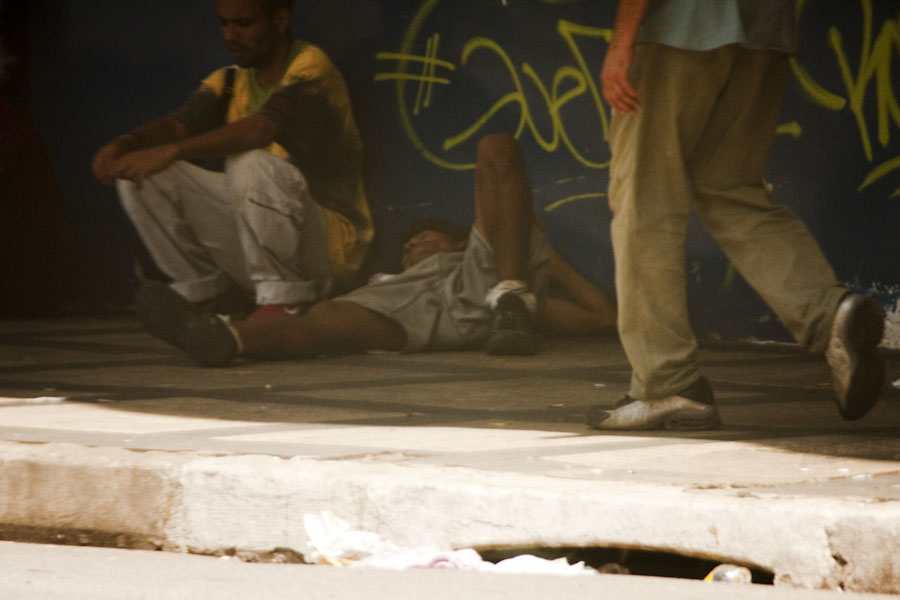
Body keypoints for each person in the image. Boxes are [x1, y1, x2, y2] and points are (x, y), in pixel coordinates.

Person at [589, 0, 886, 430]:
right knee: (732, 191)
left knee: (644, 201)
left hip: (679, 28)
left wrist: (622, 40)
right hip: (764, 32)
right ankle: (830, 313)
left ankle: (668, 381)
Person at [133, 134, 617, 367]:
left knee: (495, 147)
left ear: (456, 242)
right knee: (325, 321)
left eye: (424, 238)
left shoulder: (476, 260)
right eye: (405, 247)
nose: (411, 245)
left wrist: (537, 263)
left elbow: (602, 318)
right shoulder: (390, 284)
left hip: (482, 291)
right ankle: (226, 336)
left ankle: (510, 292)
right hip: (408, 315)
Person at [91, 0, 373, 321]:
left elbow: (261, 129)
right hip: (261, 255)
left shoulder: (311, 67)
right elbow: (176, 125)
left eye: (244, 24)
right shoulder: (228, 81)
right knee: (139, 175)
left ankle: (285, 304)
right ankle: (210, 299)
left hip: (328, 254)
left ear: (280, 21)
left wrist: (173, 150)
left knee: (251, 162)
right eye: (224, 23)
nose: (231, 36)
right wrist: (127, 143)